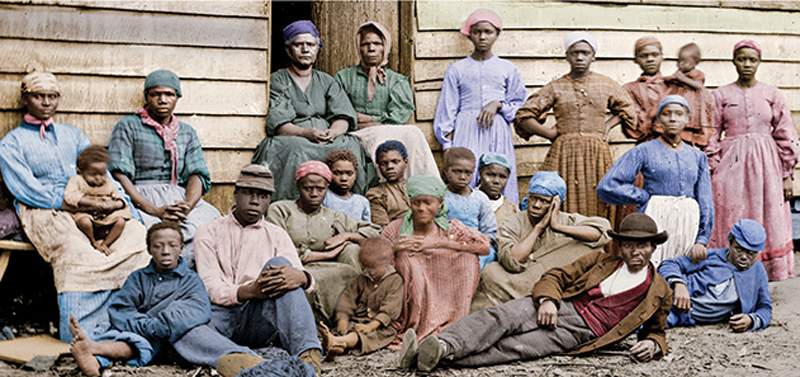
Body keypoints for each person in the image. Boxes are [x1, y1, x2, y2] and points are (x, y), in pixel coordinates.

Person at [398, 213, 671, 372]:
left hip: (580, 333)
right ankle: (445, 344)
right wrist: (549, 300)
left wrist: (653, 344)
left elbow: (657, 331)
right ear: (620, 246)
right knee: (502, 317)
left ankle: (431, 358)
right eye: (628, 245)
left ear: (653, 248)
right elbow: (556, 276)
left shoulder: (659, 290)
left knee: (514, 347)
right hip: (563, 305)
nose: (635, 252)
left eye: (643, 245)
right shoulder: (600, 261)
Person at [0, 71, 149, 342]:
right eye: (38, 96)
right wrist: (73, 202)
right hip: (45, 210)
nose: (46, 102)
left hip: (95, 207)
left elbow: (101, 172)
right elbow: (25, 190)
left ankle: (130, 325)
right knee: (76, 251)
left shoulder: (73, 135)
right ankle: (84, 335)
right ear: (25, 99)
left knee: (137, 238)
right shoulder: (12, 143)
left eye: (52, 96)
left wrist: (121, 202)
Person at [68, 222, 252, 377]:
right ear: (149, 249)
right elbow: (121, 309)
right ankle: (93, 354)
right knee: (131, 341)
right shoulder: (139, 278)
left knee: (184, 333)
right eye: (158, 246)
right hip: (144, 333)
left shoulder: (190, 279)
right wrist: (146, 326)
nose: (165, 251)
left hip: (176, 334)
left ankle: (94, 349)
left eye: (172, 245)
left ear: (181, 248)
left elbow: (199, 310)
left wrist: (164, 324)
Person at [193, 164, 322, 375]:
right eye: (249, 193)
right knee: (186, 330)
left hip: (261, 316)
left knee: (281, 265)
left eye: (262, 196)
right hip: (220, 317)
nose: (255, 201)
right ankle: (241, 359)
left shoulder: (277, 234)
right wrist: (249, 290)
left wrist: (303, 277)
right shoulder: (209, 231)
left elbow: (297, 280)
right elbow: (210, 285)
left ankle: (308, 354)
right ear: (235, 194)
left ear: (269, 200)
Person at [515, 32, 636, 219]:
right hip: (564, 152)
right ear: (567, 56)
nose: (580, 57)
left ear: (593, 56)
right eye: (575, 52)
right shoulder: (556, 86)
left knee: (599, 198)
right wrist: (549, 134)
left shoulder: (606, 84)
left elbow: (628, 109)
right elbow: (523, 116)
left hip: (597, 152)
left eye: (585, 52)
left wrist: (607, 126)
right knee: (560, 198)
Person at [706, 40, 799, 281]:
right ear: (733, 61)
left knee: (768, 209)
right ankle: (731, 268)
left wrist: (787, 175)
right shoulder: (721, 95)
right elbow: (712, 133)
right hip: (732, 163)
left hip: (767, 163)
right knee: (731, 210)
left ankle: (769, 271)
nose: (747, 64)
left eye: (752, 60)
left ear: (759, 62)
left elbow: (786, 134)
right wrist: (713, 167)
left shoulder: (772, 94)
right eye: (741, 59)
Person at [252, 20, 375, 201]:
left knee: (349, 145)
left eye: (310, 44)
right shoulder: (279, 80)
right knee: (295, 149)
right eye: (298, 45)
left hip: (325, 135)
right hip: (295, 135)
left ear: (317, 48)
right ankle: (290, 205)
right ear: (288, 49)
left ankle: (351, 205)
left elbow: (342, 115)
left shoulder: (327, 81)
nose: (305, 49)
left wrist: (333, 132)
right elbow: (280, 124)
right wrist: (307, 133)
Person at [108, 69, 220, 265]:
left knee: (213, 220)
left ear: (177, 98)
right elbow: (119, 174)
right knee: (146, 229)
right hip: (140, 196)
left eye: (169, 94)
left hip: (178, 197)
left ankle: (187, 273)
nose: (162, 100)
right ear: (146, 97)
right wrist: (154, 210)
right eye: (155, 94)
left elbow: (197, 174)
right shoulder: (128, 126)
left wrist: (186, 206)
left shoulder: (186, 132)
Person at [598, 95, 713, 267]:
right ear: (659, 118)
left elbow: (705, 201)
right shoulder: (644, 150)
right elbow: (608, 186)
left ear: (687, 119)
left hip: (688, 221)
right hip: (656, 217)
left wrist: (702, 239)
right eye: (667, 114)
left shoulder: (697, 156)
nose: (673, 118)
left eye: (679, 114)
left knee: (684, 268)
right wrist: (642, 196)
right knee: (654, 267)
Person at [471, 172, 611, 312]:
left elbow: (602, 231)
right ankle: (536, 300)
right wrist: (538, 228)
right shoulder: (513, 221)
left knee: (589, 248)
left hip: (555, 281)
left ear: (556, 204)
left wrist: (558, 227)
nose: (536, 205)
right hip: (519, 281)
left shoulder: (567, 221)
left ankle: (544, 296)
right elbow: (513, 261)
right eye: (534, 198)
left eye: (544, 201)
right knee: (491, 271)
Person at [433, 9, 527, 205]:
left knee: (496, 176)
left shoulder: (507, 68)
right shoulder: (457, 69)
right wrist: (447, 145)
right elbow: (447, 108)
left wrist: (498, 104)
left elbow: (519, 106)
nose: (482, 36)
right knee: (467, 175)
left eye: (488, 32)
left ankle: (502, 224)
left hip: (497, 129)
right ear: (470, 34)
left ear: (497, 34)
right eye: (477, 32)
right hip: (467, 127)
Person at [267, 161, 381, 321]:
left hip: (326, 267)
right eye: (308, 188)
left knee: (352, 251)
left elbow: (375, 232)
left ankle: (349, 313)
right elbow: (275, 245)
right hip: (292, 266)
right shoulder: (280, 209)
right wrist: (325, 255)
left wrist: (347, 236)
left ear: (326, 188)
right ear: (298, 187)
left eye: (320, 189)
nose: (314, 193)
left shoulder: (334, 216)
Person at [382, 175, 490, 341]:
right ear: (409, 203)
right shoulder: (397, 229)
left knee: (468, 259)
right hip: (410, 297)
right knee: (407, 261)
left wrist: (439, 243)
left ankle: (453, 321)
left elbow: (483, 248)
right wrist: (394, 248)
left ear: (440, 204)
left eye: (428, 203)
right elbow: (376, 256)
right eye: (416, 202)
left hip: (444, 286)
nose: (421, 208)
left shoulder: (450, 227)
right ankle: (417, 325)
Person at [336, 21, 439, 178]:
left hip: (387, 128)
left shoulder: (396, 80)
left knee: (414, 132)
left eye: (377, 43)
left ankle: (425, 186)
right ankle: (387, 188)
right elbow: (340, 110)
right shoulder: (344, 77)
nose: (371, 48)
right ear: (359, 47)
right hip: (357, 132)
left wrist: (372, 119)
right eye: (366, 44)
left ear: (385, 47)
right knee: (380, 137)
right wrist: (357, 119)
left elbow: (400, 114)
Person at [659, 219, 772, 332]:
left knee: (655, 324)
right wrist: (679, 284)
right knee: (647, 322)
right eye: (738, 249)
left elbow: (765, 308)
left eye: (751, 253)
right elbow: (669, 264)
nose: (744, 256)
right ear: (730, 242)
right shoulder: (713, 256)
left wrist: (751, 320)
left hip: (683, 317)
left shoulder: (758, 272)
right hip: (672, 301)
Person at [321, 238, 403, 357]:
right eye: (365, 267)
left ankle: (338, 342)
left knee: (370, 336)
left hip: (380, 325)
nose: (369, 272)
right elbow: (347, 300)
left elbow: (389, 310)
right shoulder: (360, 279)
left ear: (388, 263)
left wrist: (371, 326)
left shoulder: (395, 280)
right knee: (346, 329)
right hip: (358, 320)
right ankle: (338, 345)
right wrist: (342, 320)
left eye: (373, 268)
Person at [65, 145, 132, 255]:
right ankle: (93, 241)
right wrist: (93, 203)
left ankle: (105, 243)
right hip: (87, 214)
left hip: (106, 216)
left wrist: (114, 205)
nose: (98, 178)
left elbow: (120, 197)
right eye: (93, 174)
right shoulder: (77, 180)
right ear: (79, 171)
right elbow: (70, 196)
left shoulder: (108, 183)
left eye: (102, 174)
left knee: (120, 221)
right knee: (84, 222)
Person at [441, 148, 497, 269]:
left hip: (476, 246)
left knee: (478, 261)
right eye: (457, 171)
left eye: (468, 172)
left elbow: (490, 231)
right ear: (446, 171)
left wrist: (478, 240)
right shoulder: (440, 197)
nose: (462, 176)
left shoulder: (480, 198)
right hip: (448, 245)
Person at [663, 42, 716, 148]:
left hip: (692, 104)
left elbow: (698, 86)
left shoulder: (696, 74)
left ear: (695, 62)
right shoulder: (679, 73)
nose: (680, 64)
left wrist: (682, 79)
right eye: (679, 61)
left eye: (685, 61)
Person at [621, 36, 668, 143]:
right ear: (636, 60)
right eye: (644, 56)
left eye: (655, 55)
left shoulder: (673, 86)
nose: (650, 59)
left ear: (662, 57)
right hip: (645, 145)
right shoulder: (629, 89)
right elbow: (632, 125)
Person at [366, 140, 411, 226]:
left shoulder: (419, 186)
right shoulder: (376, 194)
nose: (389, 166)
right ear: (378, 166)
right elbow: (383, 228)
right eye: (384, 163)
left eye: (395, 162)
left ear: (405, 162)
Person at [322, 149, 371, 222]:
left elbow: (368, 228)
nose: (344, 178)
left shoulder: (362, 202)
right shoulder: (323, 197)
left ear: (356, 174)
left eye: (349, 173)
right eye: (337, 173)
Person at [477, 153, 518, 227]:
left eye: (502, 177)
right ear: (480, 174)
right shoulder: (468, 201)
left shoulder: (511, 210)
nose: (496, 181)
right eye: (490, 175)